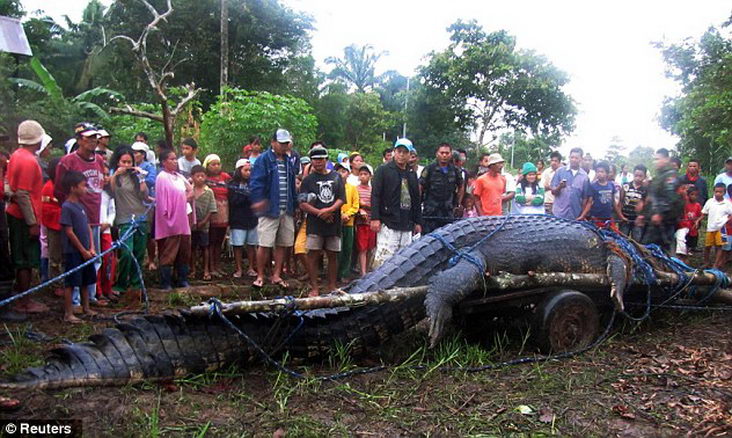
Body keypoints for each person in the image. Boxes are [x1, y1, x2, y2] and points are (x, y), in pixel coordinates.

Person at [55, 122, 108, 307]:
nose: (93, 141)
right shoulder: (68, 161)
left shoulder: (99, 160)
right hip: (75, 216)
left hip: (93, 214)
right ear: (80, 140)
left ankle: (90, 297)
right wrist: (70, 208)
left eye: (95, 137)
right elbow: (59, 189)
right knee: (77, 258)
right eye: (89, 138)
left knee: (95, 258)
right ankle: (75, 301)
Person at [3, 120, 48, 320]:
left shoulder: (16, 156)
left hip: (16, 213)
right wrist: (32, 222)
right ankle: (24, 301)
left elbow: (9, 186)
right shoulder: (28, 161)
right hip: (23, 216)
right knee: (25, 259)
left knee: (23, 257)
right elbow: (22, 194)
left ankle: (23, 297)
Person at [250, 129, 298, 289]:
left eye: (286, 143)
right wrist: (258, 201)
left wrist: (295, 205)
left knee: (283, 244)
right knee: (264, 244)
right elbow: (256, 183)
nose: (284, 146)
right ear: (273, 143)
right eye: (281, 143)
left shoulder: (288, 161)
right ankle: (260, 275)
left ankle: (276, 275)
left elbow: (292, 185)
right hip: (270, 209)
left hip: (287, 208)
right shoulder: (263, 160)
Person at [299, 146, 346, 296]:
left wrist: (330, 210)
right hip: (314, 223)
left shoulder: (337, 177)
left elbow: (341, 198)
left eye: (321, 159)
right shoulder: (307, 180)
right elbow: (302, 203)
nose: (318, 162)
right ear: (311, 161)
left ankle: (332, 285)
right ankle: (315, 287)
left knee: (332, 254)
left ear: (326, 159)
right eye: (315, 159)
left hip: (333, 222)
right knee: (313, 254)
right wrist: (320, 213)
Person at [371, 138, 422, 268]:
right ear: (394, 152)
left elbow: (416, 199)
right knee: (384, 259)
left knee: (403, 261)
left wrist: (418, 221)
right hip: (388, 221)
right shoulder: (383, 170)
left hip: (406, 222)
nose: (401, 155)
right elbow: (376, 194)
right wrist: (375, 218)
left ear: (410, 155)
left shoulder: (412, 174)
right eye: (399, 151)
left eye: (405, 152)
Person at [109, 147, 149, 305]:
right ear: (118, 162)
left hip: (140, 217)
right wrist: (115, 175)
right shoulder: (116, 177)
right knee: (126, 252)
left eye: (129, 162)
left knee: (139, 253)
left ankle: (136, 284)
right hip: (124, 219)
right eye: (123, 161)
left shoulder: (136, 176)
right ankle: (121, 284)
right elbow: (111, 192)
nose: (127, 164)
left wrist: (141, 178)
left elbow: (144, 195)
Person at [59, 171, 98, 323]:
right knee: (71, 282)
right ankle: (68, 313)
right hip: (73, 252)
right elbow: (69, 232)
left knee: (85, 280)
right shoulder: (67, 207)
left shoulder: (81, 206)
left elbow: (88, 227)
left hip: (86, 251)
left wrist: (92, 247)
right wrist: (82, 250)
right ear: (73, 187)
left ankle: (86, 307)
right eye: (83, 186)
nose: (86, 189)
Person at [155, 149, 193, 290]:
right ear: (164, 162)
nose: (175, 161)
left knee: (184, 250)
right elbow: (162, 201)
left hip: (183, 219)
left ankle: (182, 279)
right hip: (170, 220)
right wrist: (181, 199)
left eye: (176, 159)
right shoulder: (162, 177)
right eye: (171, 159)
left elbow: (190, 191)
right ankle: (166, 282)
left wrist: (183, 198)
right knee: (169, 251)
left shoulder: (179, 176)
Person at [637, 148, 683, 252]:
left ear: (666, 159)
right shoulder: (659, 176)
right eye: (655, 159)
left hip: (664, 222)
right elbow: (653, 198)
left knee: (660, 250)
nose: (655, 162)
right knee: (647, 249)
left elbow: (670, 198)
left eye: (658, 159)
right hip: (654, 221)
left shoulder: (670, 176)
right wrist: (643, 214)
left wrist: (660, 214)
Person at [420, 143, 463, 233]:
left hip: (448, 211)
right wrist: (419, 204)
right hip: (431, 212)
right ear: (437, 154)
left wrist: (458, 204)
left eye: (447, 153)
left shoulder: (455, 170)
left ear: (451, 154)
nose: (444, 155)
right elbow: (420, 187)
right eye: (442, 153)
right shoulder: (429, 169)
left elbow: (461, 186)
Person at [228, 159, 259, 279]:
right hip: (237, 219)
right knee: (238, 245)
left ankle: (251, 267)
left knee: (252, 245)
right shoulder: (232, 184)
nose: (248, 173)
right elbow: (233, 201)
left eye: (250, 170)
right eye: (245, 170)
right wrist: (244, 195)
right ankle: (239, 269)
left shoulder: (254, 183)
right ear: (239, 170)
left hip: (252, 218)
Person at [202, 154, 231, 277]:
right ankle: (210, 267)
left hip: (224, 212)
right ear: (207, 166)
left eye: (218, 164)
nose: (216, 166)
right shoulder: (205, 178)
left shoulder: (225, 177)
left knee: (220, 241)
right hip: (211, 213)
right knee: (211, 241)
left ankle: (218, 266)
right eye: (213, 164)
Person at [131, 141, 158, 271]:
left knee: (148, 234)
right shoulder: (129, 166)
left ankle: (151, 259)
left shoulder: (149, 166)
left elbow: (152, 180)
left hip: (147, 204)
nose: (134, 155)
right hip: (131, 203)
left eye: (137, 152)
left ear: (143, 154)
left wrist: (139, 180)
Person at [578, 161, 626, 229]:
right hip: (596, 218)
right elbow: (589, 202)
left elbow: (613, 202)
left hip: (608, 217)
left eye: (602, 172)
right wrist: (583, 215)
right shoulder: (592, 186)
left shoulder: (611, 185)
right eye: (597, 171)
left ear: (607, 173)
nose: (599, 174)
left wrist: (621, 216)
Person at [41, 158, 64, 298]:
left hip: (66, 226)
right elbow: (47, 209)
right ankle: (56, 284)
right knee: (55, 257)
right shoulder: (49, 187)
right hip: (54, 226)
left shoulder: (64, 185)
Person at [190, 165, 216, 281]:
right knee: (192, 248)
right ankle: (193, 269)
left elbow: (212, 209)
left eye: (202, 176)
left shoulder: (209, 192)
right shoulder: (189, 190)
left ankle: (206, 270)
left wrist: (204, 221)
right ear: (192, 177)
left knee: (205, 247)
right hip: (191, 225)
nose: (200, 178)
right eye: (197, 176)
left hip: (204, 225)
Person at [551, 147, 591, 220]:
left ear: (581, 159)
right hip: (559, 214)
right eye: (572, 157)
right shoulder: (560, 172)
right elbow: (553, 192)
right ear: (569, 157)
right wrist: (559, 187)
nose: (574, 160)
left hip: (575, 216)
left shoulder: (584, 176)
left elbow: (585, 198)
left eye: (576, 158)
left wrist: (582, 215)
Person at [697, 183, 732, 268]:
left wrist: (727, 220)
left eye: (720, 192)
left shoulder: (727, 203)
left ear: (724, 193)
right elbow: (703, 213)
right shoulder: (710, 202)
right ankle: (706, 262)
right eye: (716, 192)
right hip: (710, 228)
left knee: (720, 246)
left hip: (722, 228)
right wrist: (698, 220)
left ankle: (716, 264)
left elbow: (731, 214)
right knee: (707, 246)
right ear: (713, 192)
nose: (718, 194)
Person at [335, 163, 359, 281]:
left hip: (349, 222)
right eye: (339, 171)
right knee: (336, 248)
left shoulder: (352, 188)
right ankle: (335, 273)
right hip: (336, 222)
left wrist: (347, 214)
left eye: (344, 171)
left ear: (348, 173)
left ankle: (344, 273)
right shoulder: (334, 187)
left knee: (347, 248)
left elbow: (356, 205)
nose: (341, 174)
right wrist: (340, 215)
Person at [355, 164, 376, 277]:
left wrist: (365, 205)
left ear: (370, 176)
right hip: (361, 223)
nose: (363, 176)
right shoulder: (356, 189)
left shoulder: (373, 190)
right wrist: (360, 208)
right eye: (361, 174)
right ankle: (363, 272)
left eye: (365, 174)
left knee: (370, 248)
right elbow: (355, 204)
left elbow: (375, 204)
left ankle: (367, 270)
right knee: (362, 248)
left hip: (371, 222)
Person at [619, 164, 648, 241]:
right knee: (622, 241)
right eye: (636, 175)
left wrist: (642, 217)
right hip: (625, 219)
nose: (638, 178)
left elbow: (647, 205)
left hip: (637, 221)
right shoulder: (626, 186)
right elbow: (620, 202)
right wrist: (621, 216)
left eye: (640, 176)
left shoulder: (646, 189)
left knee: (637, 242)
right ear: (633, 174)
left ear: (645, 176)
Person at [675, 186, 702, 261]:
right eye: (692, 194)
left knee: (691, 240)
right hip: (684, 225)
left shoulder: (697, 205)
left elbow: (700, 216)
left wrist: (697, 222)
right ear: (688, 195)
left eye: (696, 195)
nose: (694, 197)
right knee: (682, 238)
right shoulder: (685, 204)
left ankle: (687, 252)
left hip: (693, 226)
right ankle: (682, 254)